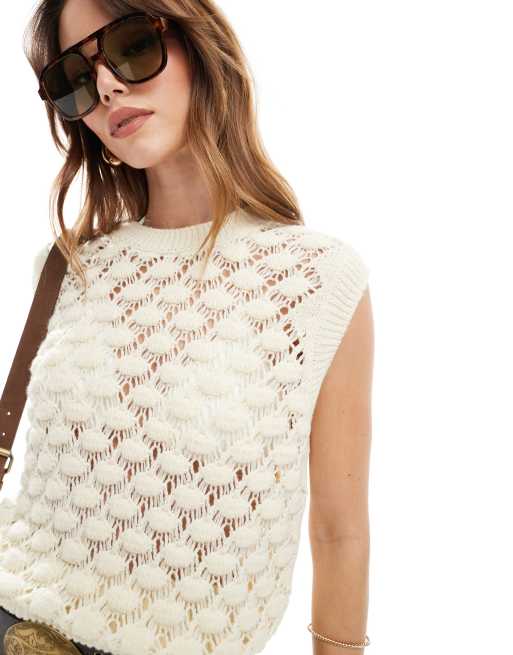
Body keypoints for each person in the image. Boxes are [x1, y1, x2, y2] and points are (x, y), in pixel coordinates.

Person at [0, 1, 374, 654]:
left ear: (200, 47)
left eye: (130, 46)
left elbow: (338, 532)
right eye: (74, 79)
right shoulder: (69, 267)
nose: (106, 87)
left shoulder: (318, 279)